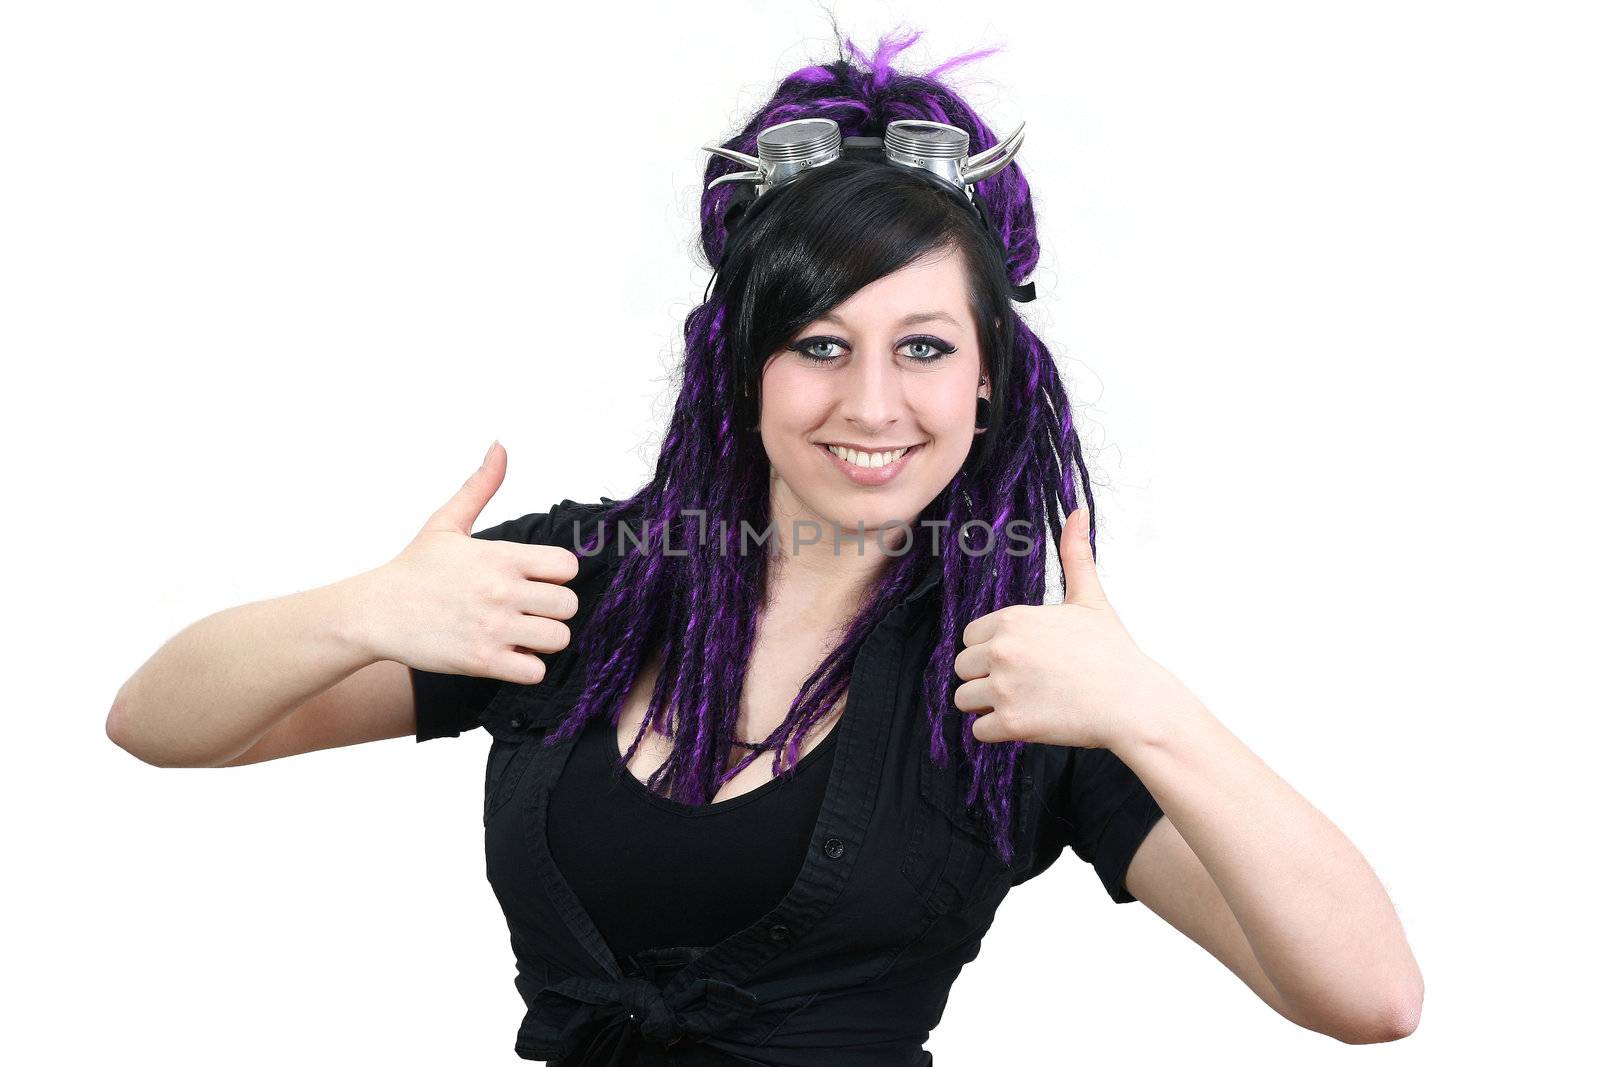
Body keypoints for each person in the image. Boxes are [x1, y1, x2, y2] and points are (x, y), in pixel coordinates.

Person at [106, 27, 1422, 1066]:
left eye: (921, 347)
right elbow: (159, 724)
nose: (869, 404)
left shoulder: (1024, 690)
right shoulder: (581, 591)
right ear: (743, 368)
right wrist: (360, 611)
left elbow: (1370, 997)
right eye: (818, 346)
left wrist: (1154, 714)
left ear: (986, 382)